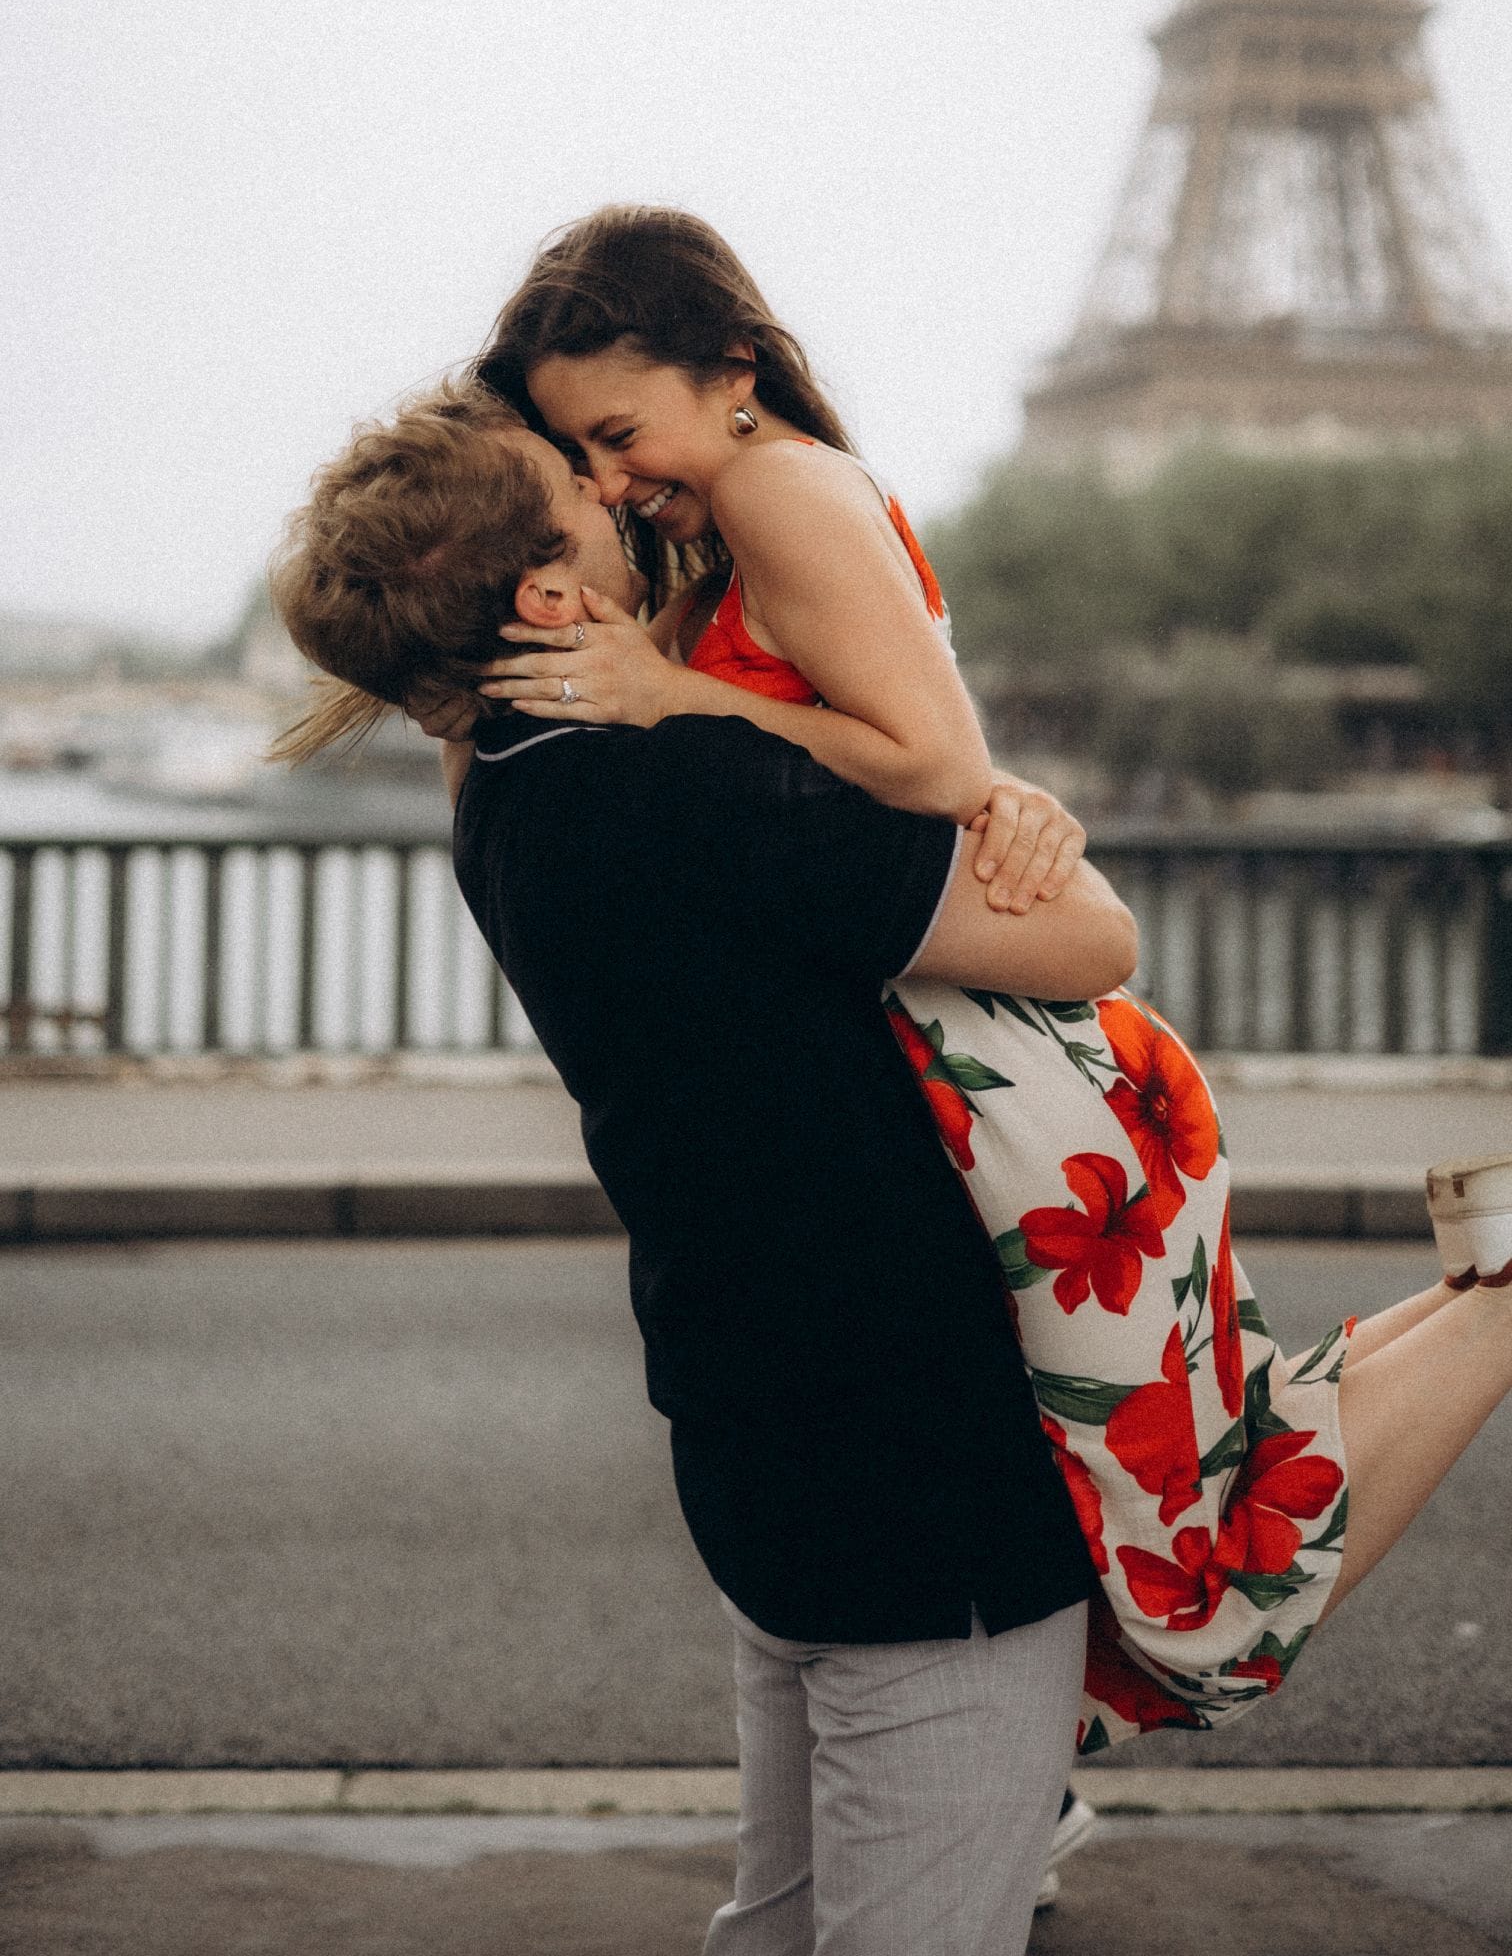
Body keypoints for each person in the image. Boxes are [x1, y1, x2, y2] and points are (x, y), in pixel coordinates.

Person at [467, 203, 1512, 1750]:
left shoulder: (774, 490)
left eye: (619, 432)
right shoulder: (743, 513)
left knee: (1190, 1547)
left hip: (1020, 1090)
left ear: (732, 364)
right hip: (1013, 1076)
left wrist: (672, 694)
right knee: (1183, 1474)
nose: (616, 481)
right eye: (584, 457)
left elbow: (933, 760)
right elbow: (929, 774)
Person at [271, 383, 1139, 1954]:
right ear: (548, 595)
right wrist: (1017, 815)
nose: (630, 503)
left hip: (749, 1416)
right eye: (586, 494)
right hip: (913, 1456)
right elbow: (1097, 942)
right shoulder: (689, 787)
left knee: (782, 1923)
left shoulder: (504, 805)